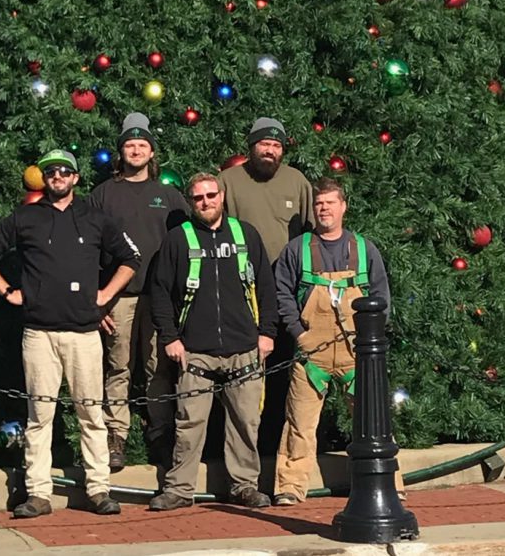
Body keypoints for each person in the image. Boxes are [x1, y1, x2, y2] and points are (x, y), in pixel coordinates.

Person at [0, 148, 141, 519]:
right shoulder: (25, 217)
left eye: (64, 171)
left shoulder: (95, 218)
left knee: (91, 415)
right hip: (39, 334)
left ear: (76, 178)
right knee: (39, 416)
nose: (57, 176)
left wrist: (106, 295)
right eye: (50, 172)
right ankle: (39, 494)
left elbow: (130, 259)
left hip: (83, 334)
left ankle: (98, 490)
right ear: (43, 179)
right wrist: (8, 292)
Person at [147, 173, 278, 512]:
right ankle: (178, 489)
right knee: (189, 424)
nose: (205, 202)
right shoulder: (178, 240)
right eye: (198, 198)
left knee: (246, 423)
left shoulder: (245, 235)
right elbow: (160, 292)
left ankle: (245, 486)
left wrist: (267, 333)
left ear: (222, 196)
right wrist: (170, 338)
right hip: (196, 351)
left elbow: (265, 285)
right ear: (191, 202)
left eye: (211, 195)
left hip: (245, 348)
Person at [270, 177, 398, 505]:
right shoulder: (297, 249)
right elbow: (281, 292)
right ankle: (290, 488)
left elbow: (380, 295)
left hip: (358, 351)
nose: (324, 209)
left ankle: (389, 484)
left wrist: (372, 338)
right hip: (312, 352)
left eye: (330, 202)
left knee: (373, 420)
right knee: (299, 422)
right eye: (319, 204)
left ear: (343, 206)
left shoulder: (363, 248)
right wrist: (299, 332)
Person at [85, 113, 189, 469]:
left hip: (160, 297)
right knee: (118, 368)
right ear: (121, 152)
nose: (136, 150)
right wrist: (97, 300)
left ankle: (159, 435)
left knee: (158, 367)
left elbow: (187, 246)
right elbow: (86, 250)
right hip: (119, 296)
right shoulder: (102, 195)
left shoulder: (169, 196)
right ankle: (116, 438)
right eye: (129, 145)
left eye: (142, 145)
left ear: (151, 152)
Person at [219, 117, 314, 258]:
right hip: (242, 267)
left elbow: (311, 228)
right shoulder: (227, 180)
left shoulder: (297, 180)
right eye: (265, 144)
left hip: (286, 271)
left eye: (277, 146)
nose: (270, 150)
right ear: (252, 145)